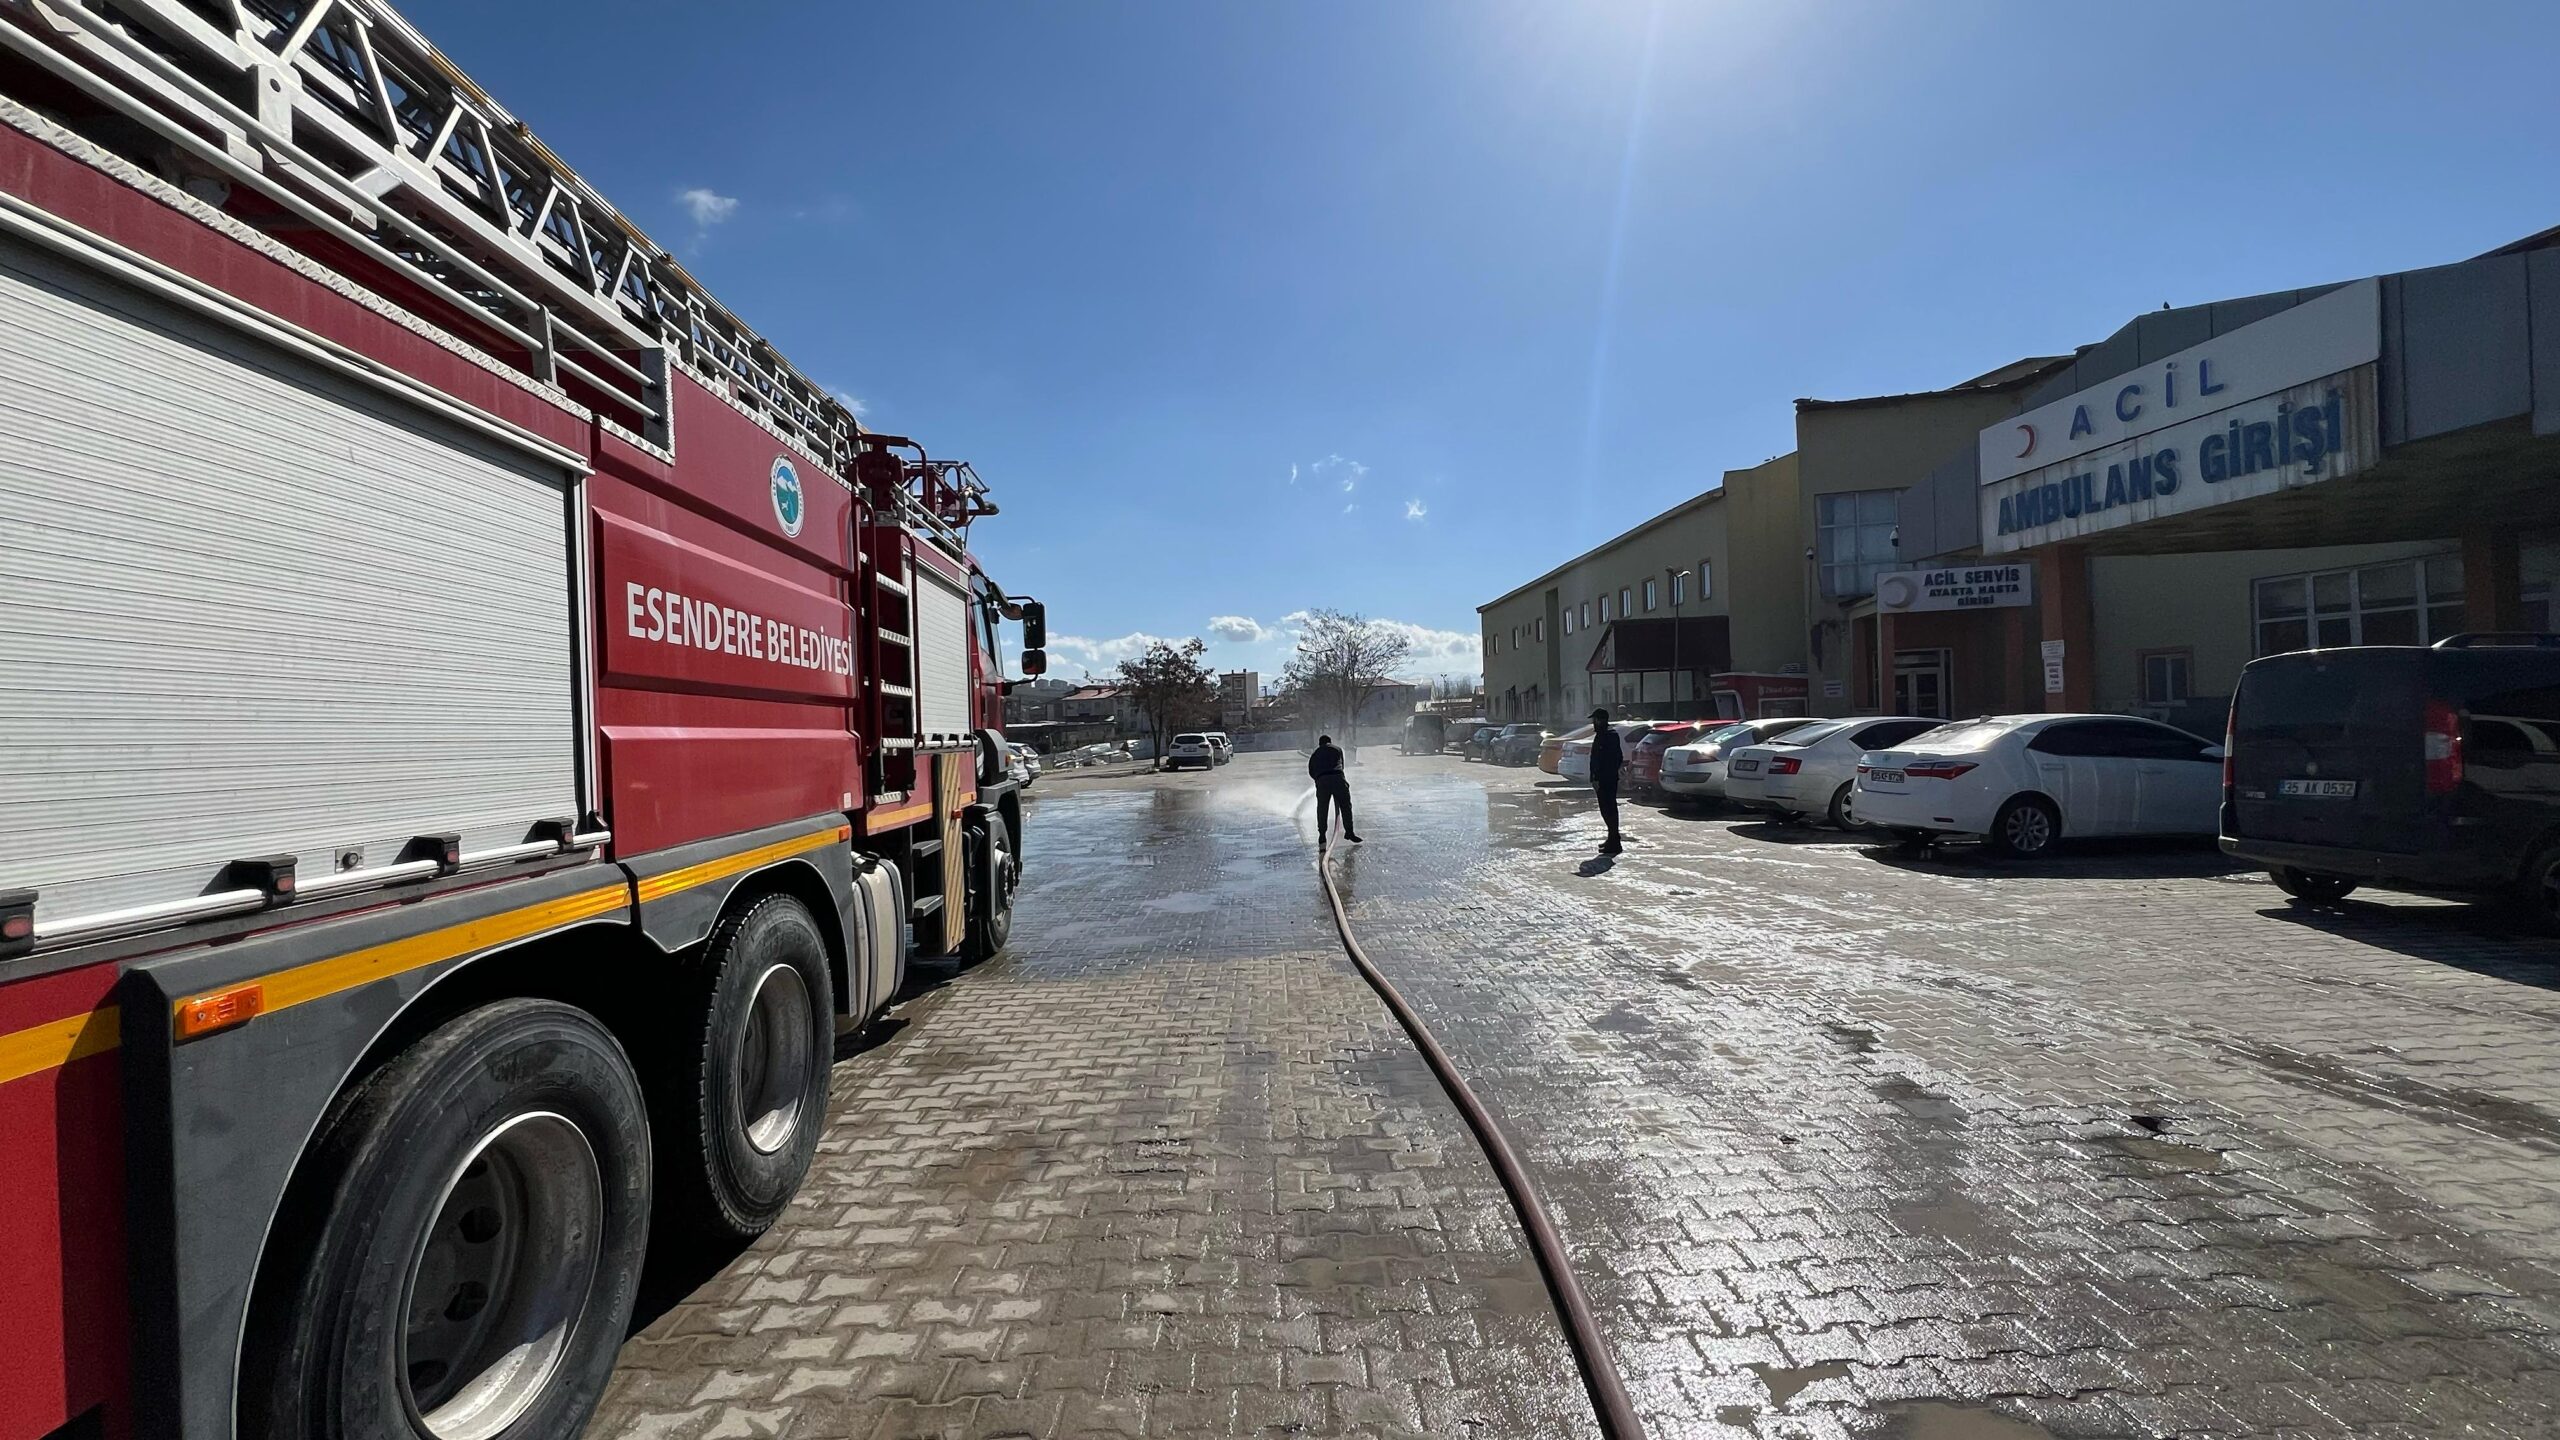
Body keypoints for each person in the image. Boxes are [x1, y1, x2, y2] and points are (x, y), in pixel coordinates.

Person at [1310, 734, 1361, 846]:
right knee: (1345, 806)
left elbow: (1311, 770)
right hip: (1338, 778)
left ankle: (1322, 834)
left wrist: (1319, 780)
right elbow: (1342, 766)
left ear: (1320, 743)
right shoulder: (1338, 749)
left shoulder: (1316, 753)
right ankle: (1349, 832)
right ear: (1330, 741)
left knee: (1322, 808)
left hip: (1322, 780)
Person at [1588, 707, 1624, 853]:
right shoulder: (1602, 734)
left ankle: (1614, 841)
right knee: (1605, 809)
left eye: (1595, 720)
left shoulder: (1609, 735)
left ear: (1600, 720)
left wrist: (1599, 777)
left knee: (1609, 809)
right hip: (1603, 778)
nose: (1593, 723)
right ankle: (1612, 838)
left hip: (1606, 779)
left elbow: (1612, 758)